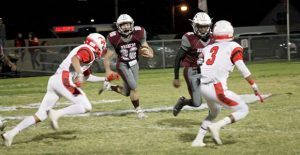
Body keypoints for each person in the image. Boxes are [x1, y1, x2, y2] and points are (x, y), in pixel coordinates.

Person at [1, 33, 113, 147]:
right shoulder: (88, 51)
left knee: (41, 115)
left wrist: (103, 78)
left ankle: (10, 134)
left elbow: (87, 76)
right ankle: (57, 113)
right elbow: (75, 59)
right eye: (102, 46)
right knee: (86, 106)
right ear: (96, 44)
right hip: (63, 79)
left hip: (55, 81)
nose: (103, 49)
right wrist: (79, 74)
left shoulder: (86, 50)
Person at [191, 20, 264, 147]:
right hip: (216, 87)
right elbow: (241, 67)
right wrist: (254, 85)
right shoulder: (233, 46)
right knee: (243, 109)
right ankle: (216, 127)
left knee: (214, 113)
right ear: (230, 33)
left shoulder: (207, 48)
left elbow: (199, 65)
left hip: (203, 86)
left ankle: (198, 140)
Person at [101, 14, 154, 119]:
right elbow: (107, 57)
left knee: (126, 92)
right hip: (122, 65)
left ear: (132, 24)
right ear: (118, 26)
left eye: (127, 24)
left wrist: (151, 53)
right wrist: (108, 70)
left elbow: (146, 46)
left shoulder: (139, 32)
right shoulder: (113, 37)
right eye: (123, 24)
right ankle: (139, 111)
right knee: (134, 87)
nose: (125, 27)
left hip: (135, 63)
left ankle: (108, 87)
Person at [172, 12, 214, 117]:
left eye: (205, 27)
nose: (203, 29)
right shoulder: (189, 38)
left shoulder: (214, 38)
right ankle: (183, 102)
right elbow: (178, 58)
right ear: (195, 26)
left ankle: (211, 119)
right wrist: (176, 77)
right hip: (192, 71)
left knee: (213, 95)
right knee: (197, 103)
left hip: (208, 71)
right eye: (200, 27)